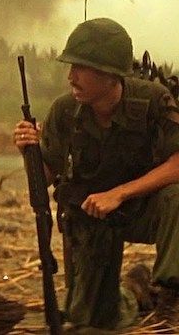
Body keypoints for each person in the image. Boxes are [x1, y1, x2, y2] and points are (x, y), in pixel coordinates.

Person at [13, 18, 179, 330]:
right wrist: (28, 151)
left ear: (110, 75)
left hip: (143, 210)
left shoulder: (153, 100)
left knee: (177, 196)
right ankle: (134, 292)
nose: (71, 76)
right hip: (92, 218)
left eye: (81, 68)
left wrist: (119, 193)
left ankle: (171, 294)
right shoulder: (64, 111)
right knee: (92, 321)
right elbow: (46, 178)